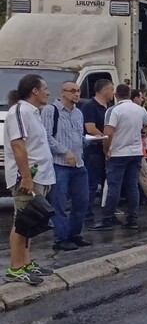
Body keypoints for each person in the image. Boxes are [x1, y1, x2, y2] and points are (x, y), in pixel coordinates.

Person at [4, 74, 57, 285]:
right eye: (45, 88)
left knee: (32, 220)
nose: (48, 91)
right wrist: (25, 176)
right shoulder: (18, 111)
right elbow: (18, 145)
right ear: (34, 90)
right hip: (28, 177)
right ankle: (15, 268)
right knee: (22, 222)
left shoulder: (34, 113)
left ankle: (26, 263)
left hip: (40, 176)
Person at [91, 84, 147, 231]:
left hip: (118, 153)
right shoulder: (139, 109)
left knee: (114, 187)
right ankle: (132, 219)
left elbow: (108, 133)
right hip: (135, 153)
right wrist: (142, 132)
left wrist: (106, 149)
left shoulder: (114, 110)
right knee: (132, 186)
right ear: (129, 94)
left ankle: (107, 219)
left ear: (116, 95)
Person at [43, 80, 91, 252]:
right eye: (72, 91)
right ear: (62, 92)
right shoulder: (51, 111)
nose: (76, 94)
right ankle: (60, 238)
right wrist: (65, 151)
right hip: (60, 164)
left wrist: (89, 142)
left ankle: (74, 234)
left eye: (78, 91)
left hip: (79, 164)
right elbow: (47, 137)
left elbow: (79, 136)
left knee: (82, 201)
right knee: (59, 203)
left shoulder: (78, 113)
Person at [81, 78, 113, 224]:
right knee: (91, 184)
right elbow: (90, 127)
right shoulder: (90, 106)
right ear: (104, 90)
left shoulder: (110, 107)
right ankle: (87, 216)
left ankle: (108, 214)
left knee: (110, 184)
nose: (113, 93)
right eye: (111, 89)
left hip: (108, 149)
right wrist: (105, 137)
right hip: (94, 150)